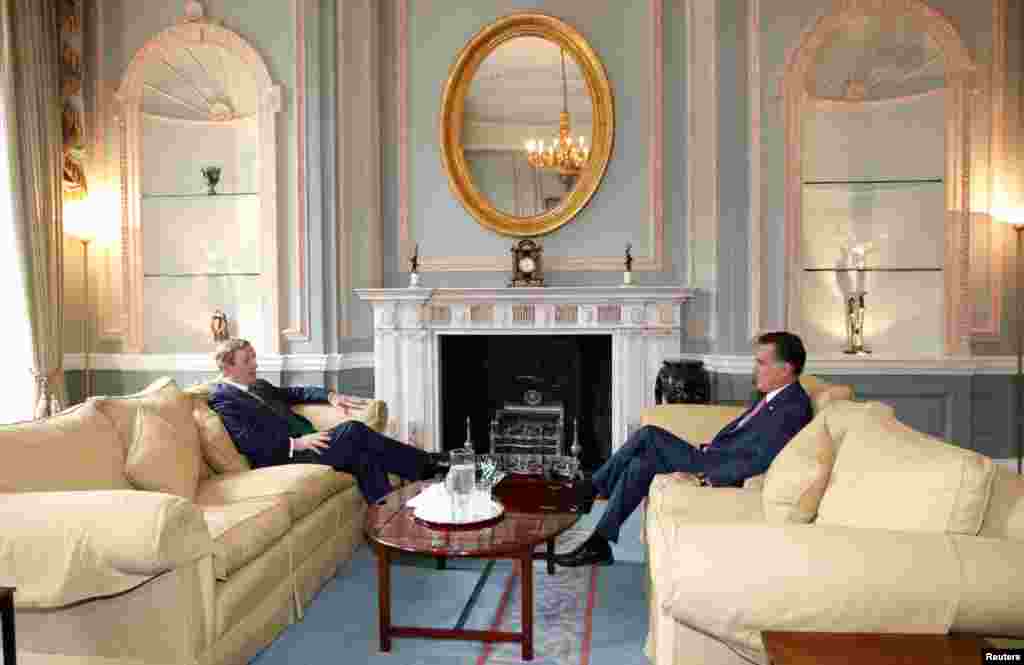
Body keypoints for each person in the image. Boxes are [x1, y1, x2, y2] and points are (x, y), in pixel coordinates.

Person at [555, 331, 813, 567]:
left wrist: (708, 478)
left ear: (786, 369)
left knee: (649, 435)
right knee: (640, 464)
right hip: (711, 456)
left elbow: (763, 459)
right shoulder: (773, 396)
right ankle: (599, 542)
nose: (754, 370)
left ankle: (592, 488)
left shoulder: (792, 407)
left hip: (715, 468)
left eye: (761, 363)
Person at [207, 338, 447, 504]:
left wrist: (330, 396)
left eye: (254, 358)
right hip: (283, 456)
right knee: (353, 431)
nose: (255, 364)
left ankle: (385, 518)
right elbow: (246, 441)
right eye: (247, 360)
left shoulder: (257, 385)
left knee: (363, 456)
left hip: (311, 441)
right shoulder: (223, 398)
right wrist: (296, 444)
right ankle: (431, 465)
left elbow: (296, 393)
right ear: (228, 367)